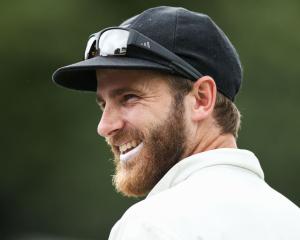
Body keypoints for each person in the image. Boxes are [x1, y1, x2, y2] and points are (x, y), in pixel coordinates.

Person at [52, 6, 300, 240]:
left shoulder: (152, 225)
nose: (105, 126)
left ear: (202, 99)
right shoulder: (291, 220)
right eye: (103, 104)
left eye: (129, 97)